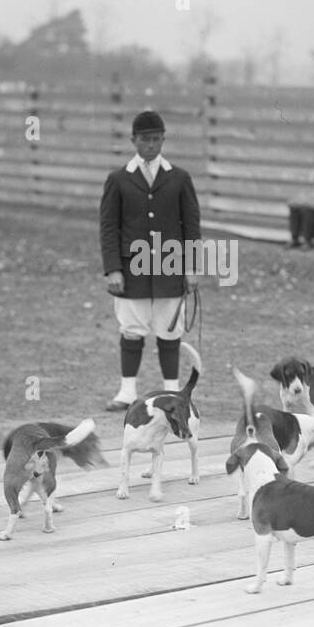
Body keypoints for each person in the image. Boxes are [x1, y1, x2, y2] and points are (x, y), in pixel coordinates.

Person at [99, 110, 201, 412]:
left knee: (170, 328)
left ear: (163, 140)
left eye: (156, 139)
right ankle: (127, 391)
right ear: (133, 140)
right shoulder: (118, 180)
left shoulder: (179, 178)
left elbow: (191, 226)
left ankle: (172, 391)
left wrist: (192, 267)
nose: (151, 145)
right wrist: (113, 268)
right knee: (132, 327)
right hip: (132, 268)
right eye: (145, 140)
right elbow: (109, 227)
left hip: (170, 264)